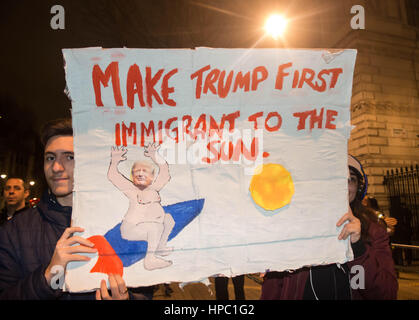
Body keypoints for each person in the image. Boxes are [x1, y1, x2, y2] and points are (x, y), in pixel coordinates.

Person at [0, 118, 148, 300]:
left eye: (69, 157)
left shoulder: (123, 224)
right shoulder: (12, 232)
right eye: (50, 158)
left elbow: (146, 292)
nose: (56, 167)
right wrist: (49, 277)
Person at [260, 154, 398, 300]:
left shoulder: (374, 232)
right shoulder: (294, 227)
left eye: (351, 179)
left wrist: (357, 248)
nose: (343, 184)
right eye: (336, 176)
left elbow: (385, 294)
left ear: (358, 189)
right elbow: (273, 287)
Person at [107, 144, 175, 271]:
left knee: (168, 219)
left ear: (152, 176)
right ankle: (150, 260)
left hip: (151, 226)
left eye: (144, 171)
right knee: (154, 227)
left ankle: (160, 247)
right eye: (136, 171)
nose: (140, 173)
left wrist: (155, 156)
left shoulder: (155, 188)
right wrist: (115, 161)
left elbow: (165, 172)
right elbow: (113, 176)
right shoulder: (131, 189)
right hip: (132, 229)